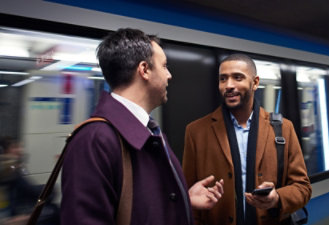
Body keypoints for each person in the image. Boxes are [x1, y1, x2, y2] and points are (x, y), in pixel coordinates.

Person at [60, 28, 224, 225]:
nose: (169, 75)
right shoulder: (94, 140)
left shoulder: (149, 130)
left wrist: (183, 200)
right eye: (164, 66)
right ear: (144, 70)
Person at [182, 54, 312, 225]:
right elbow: (188, 194)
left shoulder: (283, 129)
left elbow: (303, 187)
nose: (229, 85)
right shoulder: (196, 131)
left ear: (255, 83)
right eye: (223, 79)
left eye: (238, 77)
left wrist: (277, 198)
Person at [0, 136, 59, 225]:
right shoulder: (8, 168)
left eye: (20, 147)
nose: (20, 150)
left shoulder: (14, 167)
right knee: (54, 211)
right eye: (15, 147)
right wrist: (50, 190)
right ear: (4, 150)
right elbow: (28, 189)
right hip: (15, 210)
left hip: (20, 205)